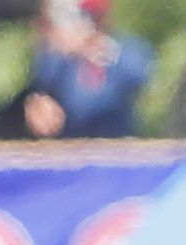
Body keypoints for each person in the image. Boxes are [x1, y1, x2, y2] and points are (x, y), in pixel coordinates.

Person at [23, 0, 152, 140]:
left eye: (91, 16)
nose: (87, 24)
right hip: (71, 147)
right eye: (80, 17)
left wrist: (105, 49)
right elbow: (43, 89)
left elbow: (140, 75)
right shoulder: (59, 60)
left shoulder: (125, 50)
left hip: (118, 144)